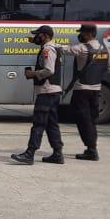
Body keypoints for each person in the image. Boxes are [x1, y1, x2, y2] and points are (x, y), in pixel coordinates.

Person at [55, 23, 110, 161]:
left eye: (82, 33)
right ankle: (92, 147)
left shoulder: (82, 48)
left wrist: (50, 43)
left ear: (88, 34)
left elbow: (64, 49)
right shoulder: (105, 48)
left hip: (82, 90)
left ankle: (91, 150)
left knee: (83, 120)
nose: (80, 35)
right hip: (96, 90)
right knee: (91, 120)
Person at [11, 25, 63, 163]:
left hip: (47, 91)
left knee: (39, 123)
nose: (36, 37)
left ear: (45, 36)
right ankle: (58, 153)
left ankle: (30, 154)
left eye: (38, 34)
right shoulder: (53, 47)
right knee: (51, 124)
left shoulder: (48, 49)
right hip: (53, 92)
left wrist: (32, 74)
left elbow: (49, 70)